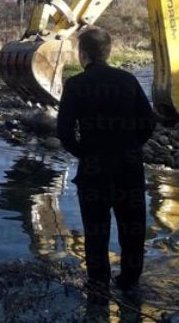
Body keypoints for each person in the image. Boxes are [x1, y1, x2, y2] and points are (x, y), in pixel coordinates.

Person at [56, 27, 155, 294]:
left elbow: (64, 132)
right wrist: (132, 146)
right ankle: (130, 284)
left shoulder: (76, 85)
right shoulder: (128, 80)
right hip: (129, 168)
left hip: (94, 172)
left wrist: (84, 153)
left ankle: (98, 287)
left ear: (83, 54)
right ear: (108, 52)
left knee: (96, 232)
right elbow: (148, 122)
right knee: (132, 230)